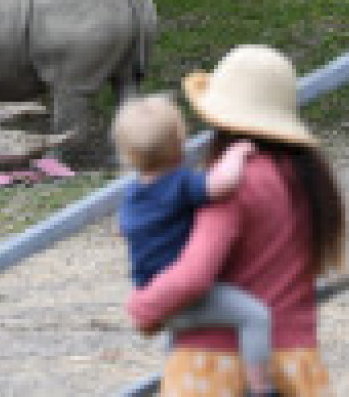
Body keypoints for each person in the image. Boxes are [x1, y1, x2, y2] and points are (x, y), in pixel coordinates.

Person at [127, 44, 346, 397]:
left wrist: (143, 306)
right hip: (296, 363)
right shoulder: (306, 179)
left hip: (219, 368)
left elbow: (195, 275)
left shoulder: (232, 184)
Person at [113, 94, 276, 395]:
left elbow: (121, 228)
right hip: (185, 294)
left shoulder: (134, 193)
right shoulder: (179, 184)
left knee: (180, 344)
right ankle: (262, 387)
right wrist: (236, 153)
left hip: (154, 295)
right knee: (256, 316)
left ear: (128, 154)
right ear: (180, 142)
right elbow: (222, 183)